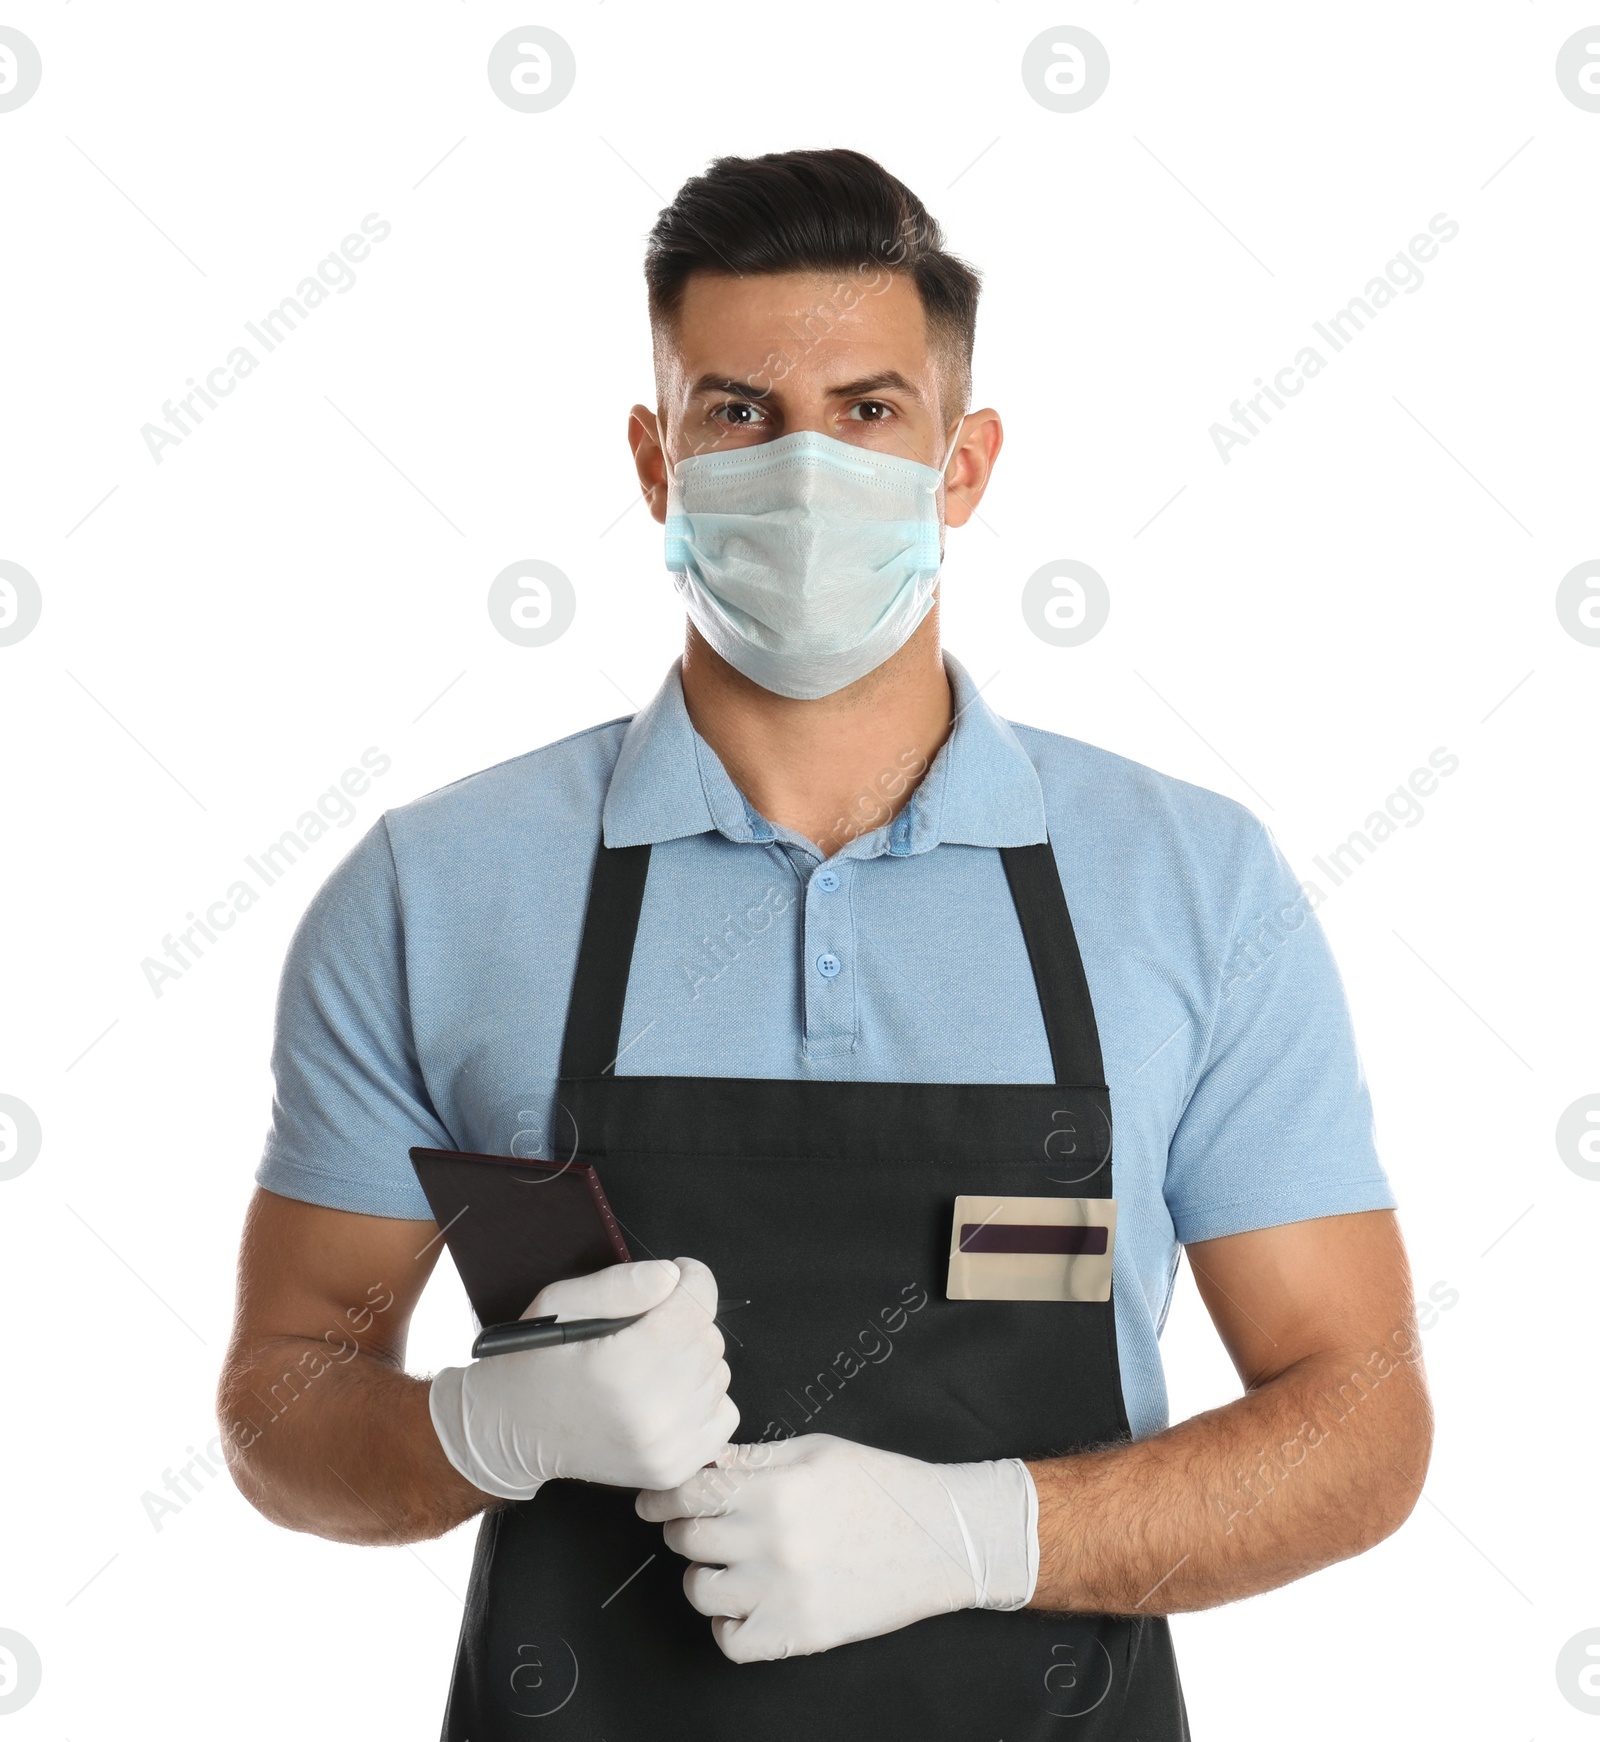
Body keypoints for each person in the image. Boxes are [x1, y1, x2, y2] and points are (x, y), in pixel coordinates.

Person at [218, 148, 1432, 1740]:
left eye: (868, 412)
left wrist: (985, 1536)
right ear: (656, 462)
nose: (804, 470)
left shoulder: (1189, 883)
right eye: (738, 413)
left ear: (965, 463)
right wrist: (477, 1427)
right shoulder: (434, 887)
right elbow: (278, 1403)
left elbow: (1360, 1420)